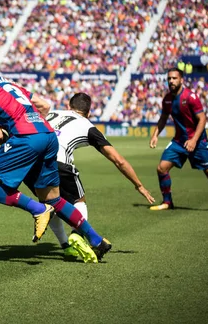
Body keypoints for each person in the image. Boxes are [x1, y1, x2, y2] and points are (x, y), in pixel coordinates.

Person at [0, 53, 111, 263]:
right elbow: (45, 105)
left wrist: (11, 137)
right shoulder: (5, 81)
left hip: (26, 138)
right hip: (48, 136)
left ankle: (38, 210)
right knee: (54, 199)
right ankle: (96, 240)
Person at [43, 93, 155, 261]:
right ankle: (77, 234)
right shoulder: (87, 125)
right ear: (89, 113)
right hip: (59, 161)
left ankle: (65, 246)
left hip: (33, 160)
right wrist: (138, 185)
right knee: (79, 200)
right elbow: (119, 160)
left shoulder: (52, 113)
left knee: (50, 202)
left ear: (68, 106)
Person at [149, 68, 208, 213]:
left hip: (198, 141)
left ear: (181, 80)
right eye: (169, 78)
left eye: (174, 78)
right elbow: (163, 118)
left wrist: (194, 140)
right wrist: (155, 135)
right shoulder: (167, 99)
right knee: (162, 168)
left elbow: (202, 119)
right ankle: (167, 202)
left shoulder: (191, 97)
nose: (171, 81)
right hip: (179, 141)